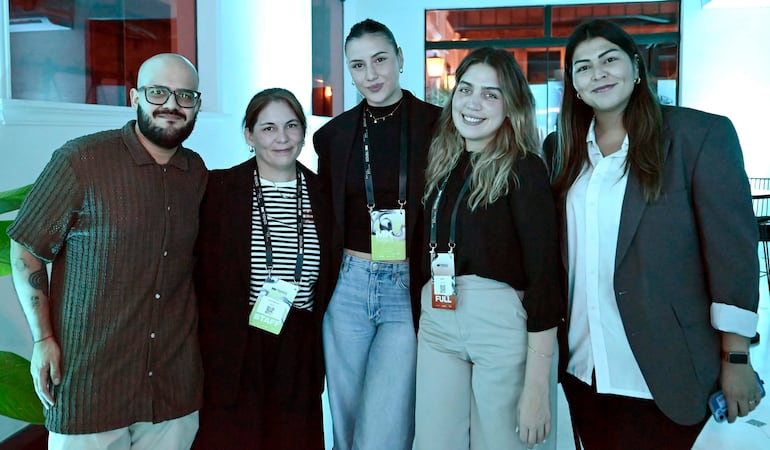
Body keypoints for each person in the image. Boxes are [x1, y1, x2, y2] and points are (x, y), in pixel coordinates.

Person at [549, 19, 761, 449]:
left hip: (664, 369)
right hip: (584, 368)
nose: (599, 73)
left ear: (636, 67)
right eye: (584, 67)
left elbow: (732, 256)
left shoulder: (697, 136)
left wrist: (735, 357)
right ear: (574, 86)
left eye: (610, 59)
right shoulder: (560, 149)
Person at [8, 53, 206, 449]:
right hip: (90, 385)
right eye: (158, 92)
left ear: (196, 105)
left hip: (172, 387)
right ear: (135, 97)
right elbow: (26, 248)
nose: (171, 104)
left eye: (184, 95)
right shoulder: (81, 161)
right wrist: (42, 338)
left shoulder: (196, 172)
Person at [414, 47, 562, 450]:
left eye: (490, 94)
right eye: (465, 89)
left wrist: (537, 388)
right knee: (433, 442)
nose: (473, 103)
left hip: (501, 327)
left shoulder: (524, 169)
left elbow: (546, 278)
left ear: (511, 106)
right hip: (439, 322)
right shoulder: (443, 162)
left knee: (501, 442)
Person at [313, 18, 441, 450]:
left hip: (407, 284)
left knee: (387, 421)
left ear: (401, 59)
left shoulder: (441, 127)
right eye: (358, 65)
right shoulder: (332, 136)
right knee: (345, 419)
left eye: (380, 60)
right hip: (348, 284)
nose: (371, 74)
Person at [191, 88, 332, 450]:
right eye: (268, 128)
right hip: (236, 346)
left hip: (299, 348)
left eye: (291, 126)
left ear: (303, 131)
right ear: (249, 135)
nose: (282, 138)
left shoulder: (324, 194)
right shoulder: (219, 190)